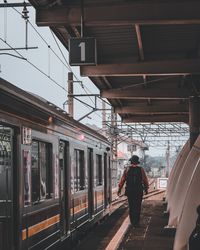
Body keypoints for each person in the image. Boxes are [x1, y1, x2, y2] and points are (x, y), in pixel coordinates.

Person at [117, 155, 149, 227]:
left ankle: (132, 222)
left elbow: (122, 180)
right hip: (138, 190)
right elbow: (145, 180)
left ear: (131, 162)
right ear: (137, 162)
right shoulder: (141, 169)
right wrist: (146, 189)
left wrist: (119, 189)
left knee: (131, 207)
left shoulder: (127, 169)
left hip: (130, 191)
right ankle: (136, 222)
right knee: (137, 206)